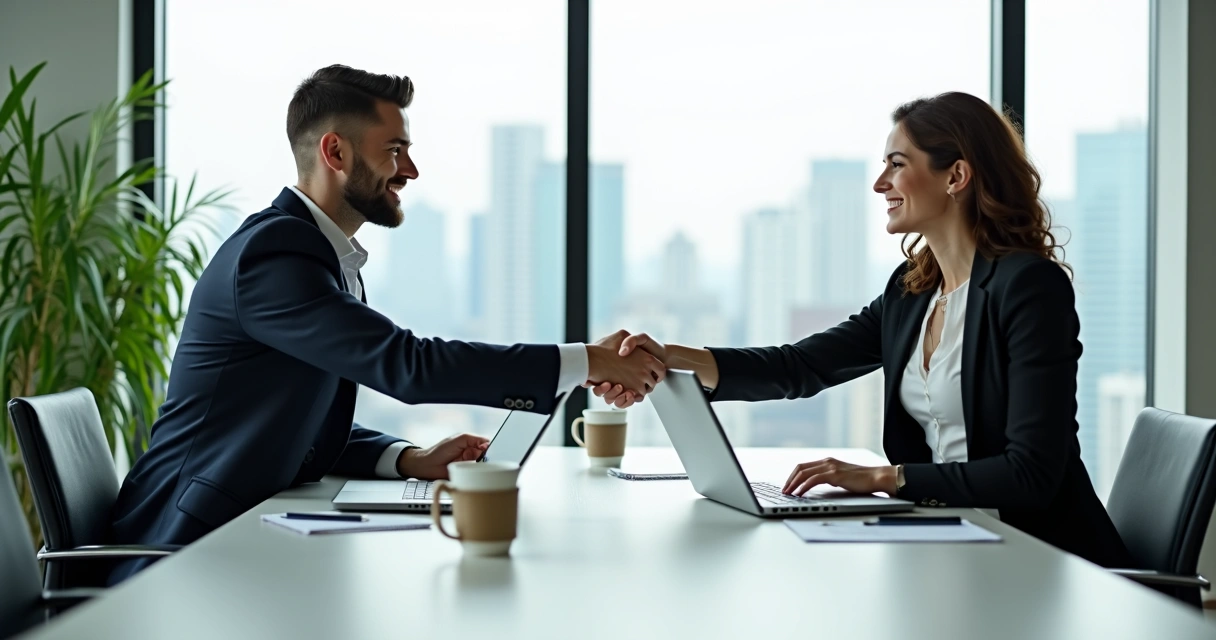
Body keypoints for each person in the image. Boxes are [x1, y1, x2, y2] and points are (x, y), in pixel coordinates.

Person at [106, 64, 663, 584]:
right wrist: (587, 361)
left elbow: (298, 422)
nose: (411, 170)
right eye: (394, 150)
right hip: (183, 549)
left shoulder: (323, 256)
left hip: (245, 539)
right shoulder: (274, 256)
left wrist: (407, 459)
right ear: (335, 151)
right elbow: (407, 365)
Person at [592, 92, 1132, 568]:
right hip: (953, 541)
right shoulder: (912, 290)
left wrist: (882, 478)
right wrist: (668, 356)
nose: (880, 184)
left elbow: (1032, 474)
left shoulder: (1027, 287)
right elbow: (800, 366)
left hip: (1040, 558)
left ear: (956, 176)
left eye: (897, 165)